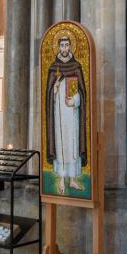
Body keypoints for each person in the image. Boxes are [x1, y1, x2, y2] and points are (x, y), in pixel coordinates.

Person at [44, 35, 87, 195]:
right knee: (61, 143)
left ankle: (73, 180)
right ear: (58, 47)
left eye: (67, 45)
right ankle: (62, 179)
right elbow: (49, 94)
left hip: (72, 114)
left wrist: (75, 101)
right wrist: (54, 90)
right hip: (59, 114)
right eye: (61, 45)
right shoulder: (53, 68)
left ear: (70, 47)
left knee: (72, 143)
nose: (64, 48)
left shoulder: (76, 66)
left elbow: (82, 92)